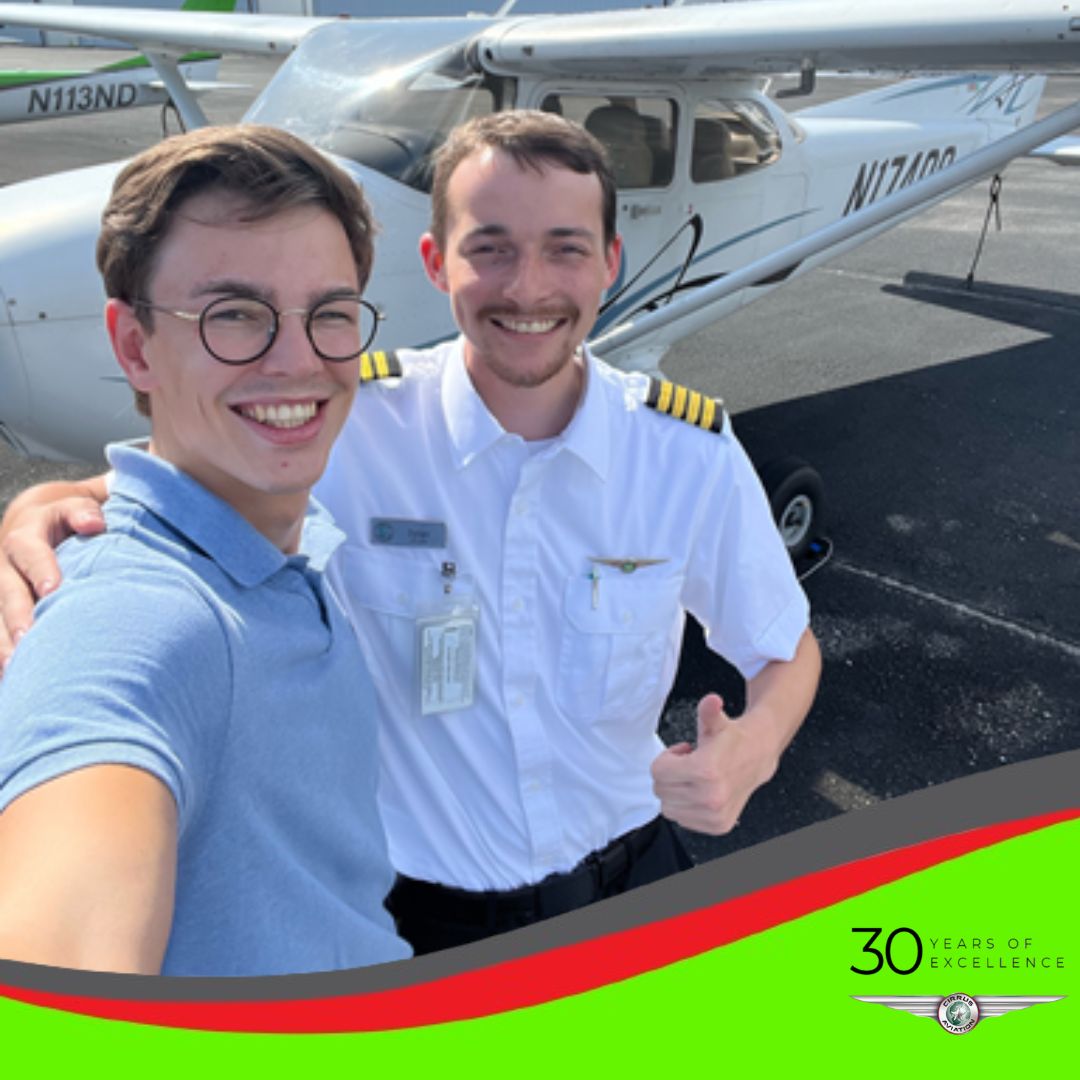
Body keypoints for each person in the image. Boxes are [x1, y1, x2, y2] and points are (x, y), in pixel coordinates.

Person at [0, 111, 820, 955]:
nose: (528, 287)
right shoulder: (354, 416)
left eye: (567, 248)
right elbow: (197, 469)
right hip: (420, 919)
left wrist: (755, 748)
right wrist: (53, 504)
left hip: (633, 886)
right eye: (490, 246)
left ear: (610, 264)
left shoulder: (685, 452)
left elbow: (784, 645)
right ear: (436, 264)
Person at [0, 125, 410, 975]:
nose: (298, 360)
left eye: (330, 314)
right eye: (234, 315)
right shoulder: (147, 621)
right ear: (134, 346)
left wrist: (52, 496)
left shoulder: (277, 516)